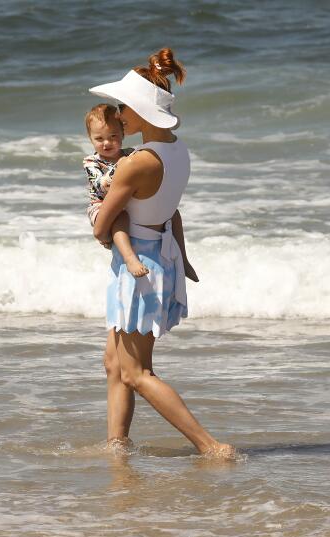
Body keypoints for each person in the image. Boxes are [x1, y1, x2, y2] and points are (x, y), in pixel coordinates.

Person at [89, 48, 235, 458]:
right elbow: (173, 211)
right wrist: (183, 259)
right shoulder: (177, 150)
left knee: (136, 372)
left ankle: (211, 446)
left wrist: (100, 223)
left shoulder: (138, 162)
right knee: (114, 365)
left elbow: (103, 226)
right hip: (158, 256)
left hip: (141, 265)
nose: (119, 116)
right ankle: (117, 446)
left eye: (124, 109)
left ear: (140, 113)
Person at [83, 103, 199, 281]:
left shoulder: (130, 154)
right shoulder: (91, 161)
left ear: (123, 134)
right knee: (121, 218)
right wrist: (119, 169)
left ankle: (184, 259)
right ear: (90, 139)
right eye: (99, 138)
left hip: (121, 203)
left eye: (113, 136)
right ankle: (130, 258)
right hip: (100, 206)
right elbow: (99, 185)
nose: (106, 143)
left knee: (173, 214)